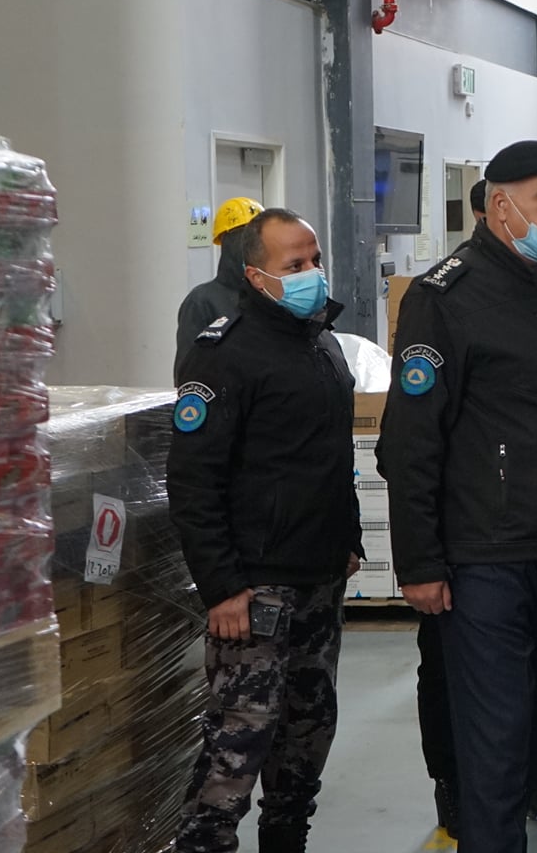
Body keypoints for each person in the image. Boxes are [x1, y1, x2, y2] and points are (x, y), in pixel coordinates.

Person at [379, 140, 537, 852]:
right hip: (482, 556)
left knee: (536, 724)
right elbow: (410, 442)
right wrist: (419, 562)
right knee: (494, 737)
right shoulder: (446, 299)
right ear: (499, 203)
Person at [166, 209, 363, 853]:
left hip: (319, 577)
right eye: (294, 265)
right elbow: (193, 481)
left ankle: (287, 839)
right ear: (256, 275)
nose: (312, 274)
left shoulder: (323, 344)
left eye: (315, 260)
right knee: (238, 739)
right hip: (255, 589)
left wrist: (349, 537)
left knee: (308, 730)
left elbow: (330, 455)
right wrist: (221, 587)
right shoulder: (224, 353)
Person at [175, 196, 264, 363]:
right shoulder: (202, 301)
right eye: (245, 239)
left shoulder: (269, 296)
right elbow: (188, 369)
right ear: (228, 242)